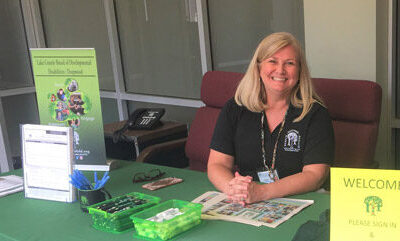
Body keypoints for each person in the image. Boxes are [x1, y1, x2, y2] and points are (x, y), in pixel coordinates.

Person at [207, 32, 334, 205]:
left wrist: (262, 192)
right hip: (248, 200)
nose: (280, 70)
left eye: (289, 63)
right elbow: (217, 164)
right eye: (272, 61)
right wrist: (234, 189)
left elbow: (314, 176)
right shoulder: (235, 108)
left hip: (301, 200)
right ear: (258, 67)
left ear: (299, 71)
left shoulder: (315, 113)